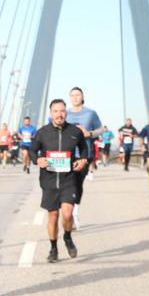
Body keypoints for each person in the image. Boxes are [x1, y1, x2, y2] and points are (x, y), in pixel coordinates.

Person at [30, 99, 90, 262]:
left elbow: (84, 148)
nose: (59, 114)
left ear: (66, 113)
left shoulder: (75, 131)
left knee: (68, 214)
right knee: (53, 217)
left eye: (62, 111)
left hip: (68, 179)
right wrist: (37, 160)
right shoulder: (42, 132)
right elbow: (33, 151)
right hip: (49, 180)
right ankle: (53, 248)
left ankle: (68, 237)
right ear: (51, 114)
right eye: (56, 111)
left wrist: (83, 160)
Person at [64, 87, 102, 228]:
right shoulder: (65, 113)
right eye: (72, 95)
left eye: (77, 95)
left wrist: (90, 134)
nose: (75, 97)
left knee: (78, 184)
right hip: (67, 155)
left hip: (84, 155)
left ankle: (74, 213)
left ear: (82, 96)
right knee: (68, 185)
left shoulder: (90, 113)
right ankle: (69, 213)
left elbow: (101, 129)